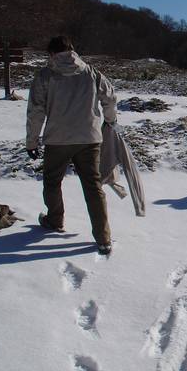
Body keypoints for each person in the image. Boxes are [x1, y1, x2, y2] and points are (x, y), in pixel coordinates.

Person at [25, 36, 117, 255]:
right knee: (93, 187)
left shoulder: (45, 75)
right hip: (89, 138)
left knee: (52, 181)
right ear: (72, 51)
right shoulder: (92, 73)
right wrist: (110, 120)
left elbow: (36, 110)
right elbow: (110, 98)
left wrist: (32, 141)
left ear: (52, 53)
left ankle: (55, 220)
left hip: (57, 139)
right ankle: (103, 237)